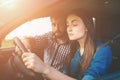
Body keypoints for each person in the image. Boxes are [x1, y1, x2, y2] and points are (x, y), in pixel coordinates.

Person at [20, 8, 112, 80]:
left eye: (74, 24)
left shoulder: (103, 50)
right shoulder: (75, 48)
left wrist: (45, 69)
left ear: (87, 27)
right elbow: (64, 73)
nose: (69, 29)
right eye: (68, 25)